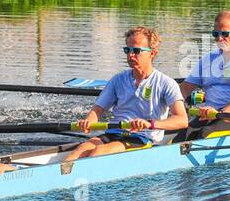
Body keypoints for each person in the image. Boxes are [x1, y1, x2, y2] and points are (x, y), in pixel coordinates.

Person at [65, 26, 187, 161]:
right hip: (115, 132)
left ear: (152, 53)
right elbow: (97, 110)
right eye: (127, 50)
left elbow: (182, 120)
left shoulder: (166, 83)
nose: (130, 55)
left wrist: (150, 124)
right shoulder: (118, 79)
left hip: (142, 137)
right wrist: (89, 121)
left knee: (98, 152)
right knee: (79, 150)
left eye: (136, 51)